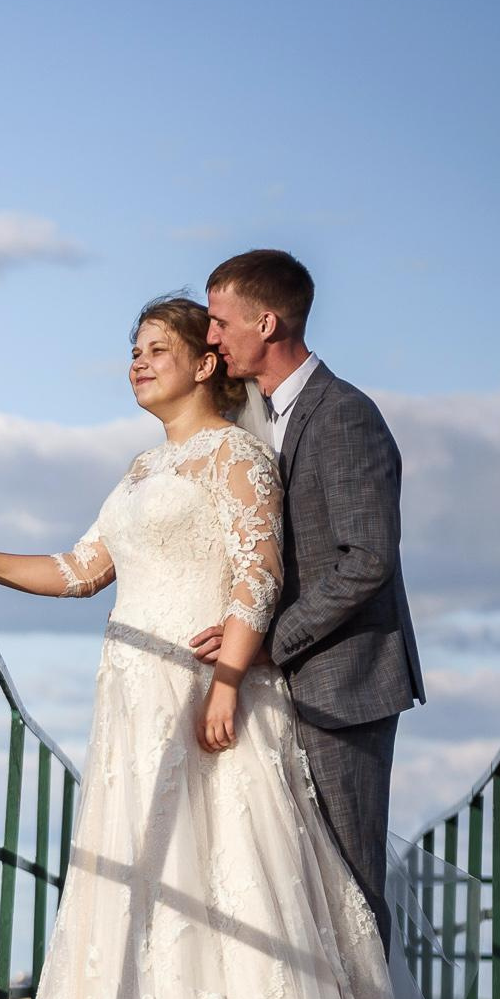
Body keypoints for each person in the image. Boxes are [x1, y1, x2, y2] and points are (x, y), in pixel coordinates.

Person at [0, 292, 479, 999]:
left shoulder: (240, 458)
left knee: (227, 866)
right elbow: (78, 569)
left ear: (207, 363)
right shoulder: (141, 471)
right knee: (142, 866)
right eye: (132, 350)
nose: (137, 362)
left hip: (204, 684)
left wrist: (224, 683)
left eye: (156, 349)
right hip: (130, 697)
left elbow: (257, 575)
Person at [197, 249, 425, 932]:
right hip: (285, 689)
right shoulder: (262, 418)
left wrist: (273, 641)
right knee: (295, 896)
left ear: (266, 323)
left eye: (219, 321)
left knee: (349, 895)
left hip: (342, 689)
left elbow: (368, 557)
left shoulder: (345, 415)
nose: (211, 336)